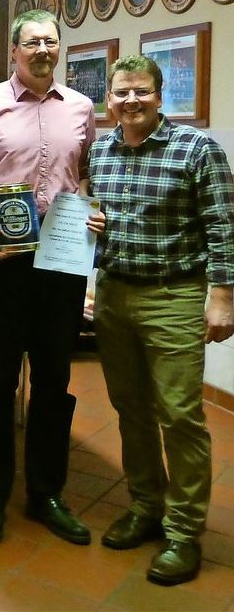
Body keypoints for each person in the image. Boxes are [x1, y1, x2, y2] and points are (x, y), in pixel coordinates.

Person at [87, 54, 234, 585]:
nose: (131, 101)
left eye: (141, 92)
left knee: (179, 414)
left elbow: (223, 226)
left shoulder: (197, 150)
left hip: (173, 296)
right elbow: (97, 215)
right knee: (131, 409)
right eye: (122, 92)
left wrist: (222, 296)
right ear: (109, 98)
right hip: (114, 293)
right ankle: (146, 505)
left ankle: (183, 531)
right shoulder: (100, 149)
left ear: (159, 94)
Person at [0, 9, 96, 546]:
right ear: (14, 49)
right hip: (2, 265)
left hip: (60, 266)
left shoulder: (82, 108)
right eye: (32, 41)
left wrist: (91, 212)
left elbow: (83, 178)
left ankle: (46, 493)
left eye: (51, 42)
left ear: (59, 50)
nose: (42, 50)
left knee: (54, 385)